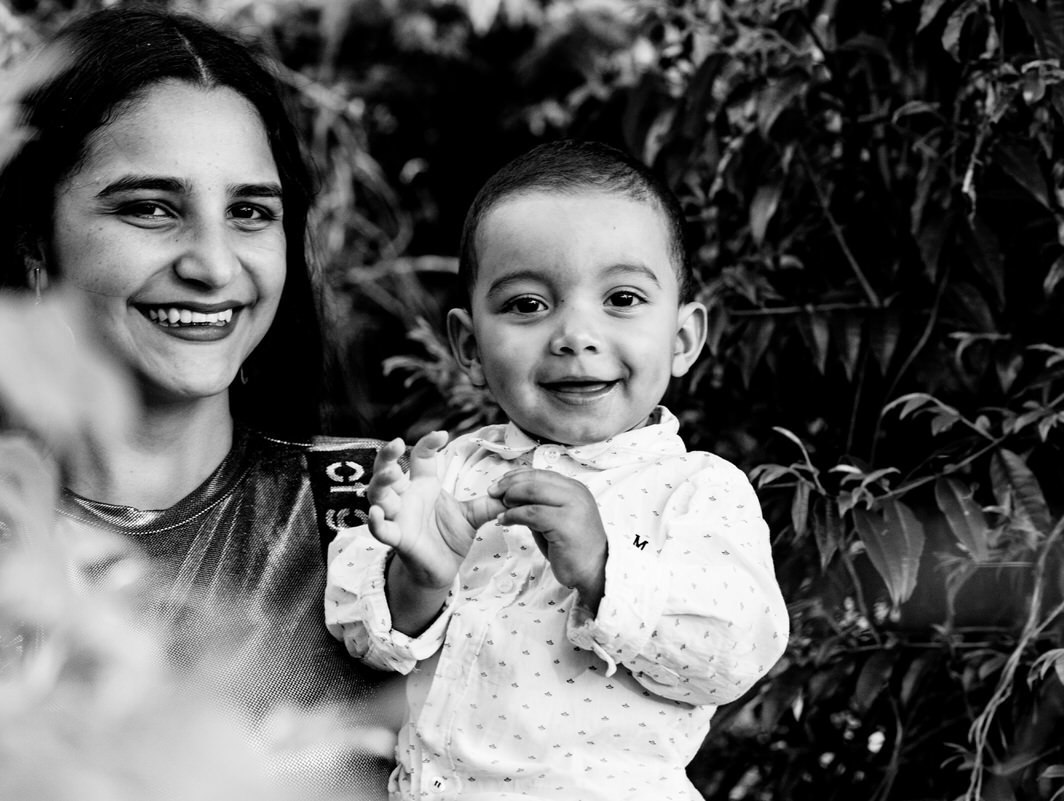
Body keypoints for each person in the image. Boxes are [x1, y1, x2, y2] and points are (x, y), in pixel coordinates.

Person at [0, 8, 393, 798]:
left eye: (250, 212)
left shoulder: (377, 517)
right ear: (36, 241)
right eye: (151, 207)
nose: (214, 265)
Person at [326, 139, 790, 799]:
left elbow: (735, 655)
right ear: (470, 346)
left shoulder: (697, 492)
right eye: (527, 305)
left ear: (683, 338)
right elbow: (359, 636)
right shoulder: (447, 476)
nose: (575, 335)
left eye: (622, 297)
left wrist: (605, 570)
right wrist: (419, 578)